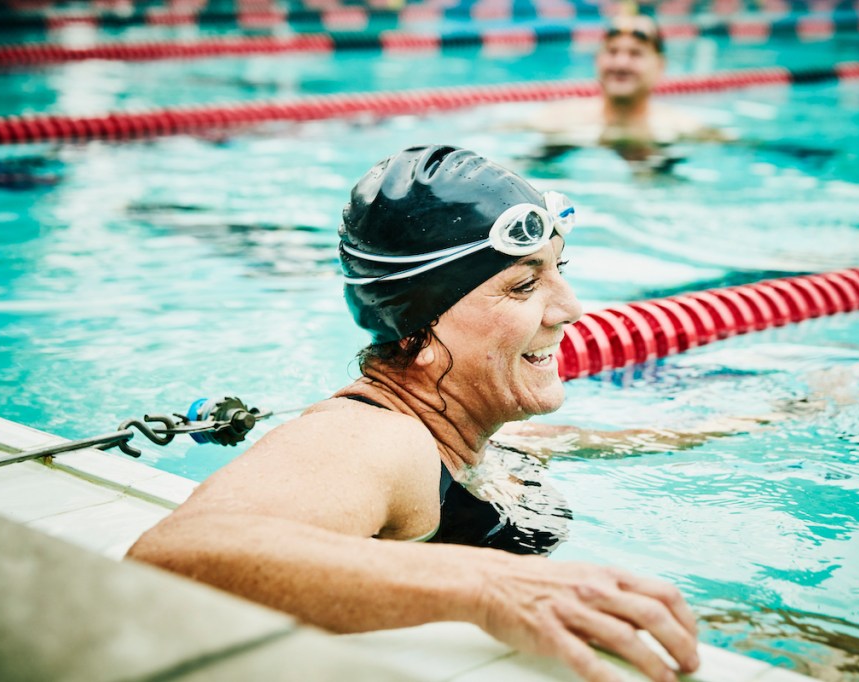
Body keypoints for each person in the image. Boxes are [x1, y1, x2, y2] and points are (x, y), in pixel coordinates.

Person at [127, 145, 701, 682]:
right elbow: (172, 560)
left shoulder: (465, 437)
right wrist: (489, 586)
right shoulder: (375, 437)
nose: (571, 307)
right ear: (417, 333)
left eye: (559, 268)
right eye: (525, 284)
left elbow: (602, 440)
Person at [527, 15, 728, 171]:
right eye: (613, 51)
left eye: (635, 53)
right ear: (597, 60)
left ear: (660, 65)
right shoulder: (556, 118)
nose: (621, 63)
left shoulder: (682, 128)